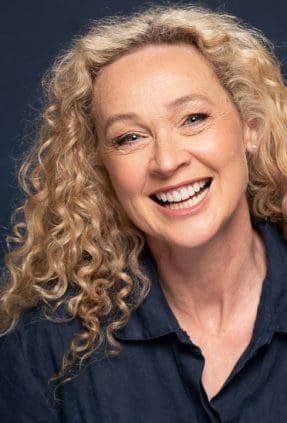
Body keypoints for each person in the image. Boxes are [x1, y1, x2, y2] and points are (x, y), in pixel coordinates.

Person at [1, 4, 287, 422]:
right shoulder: (44, 348)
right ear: (100, 165)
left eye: (193, 118)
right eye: (129, 137)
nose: (167, 161)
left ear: (250, 127)